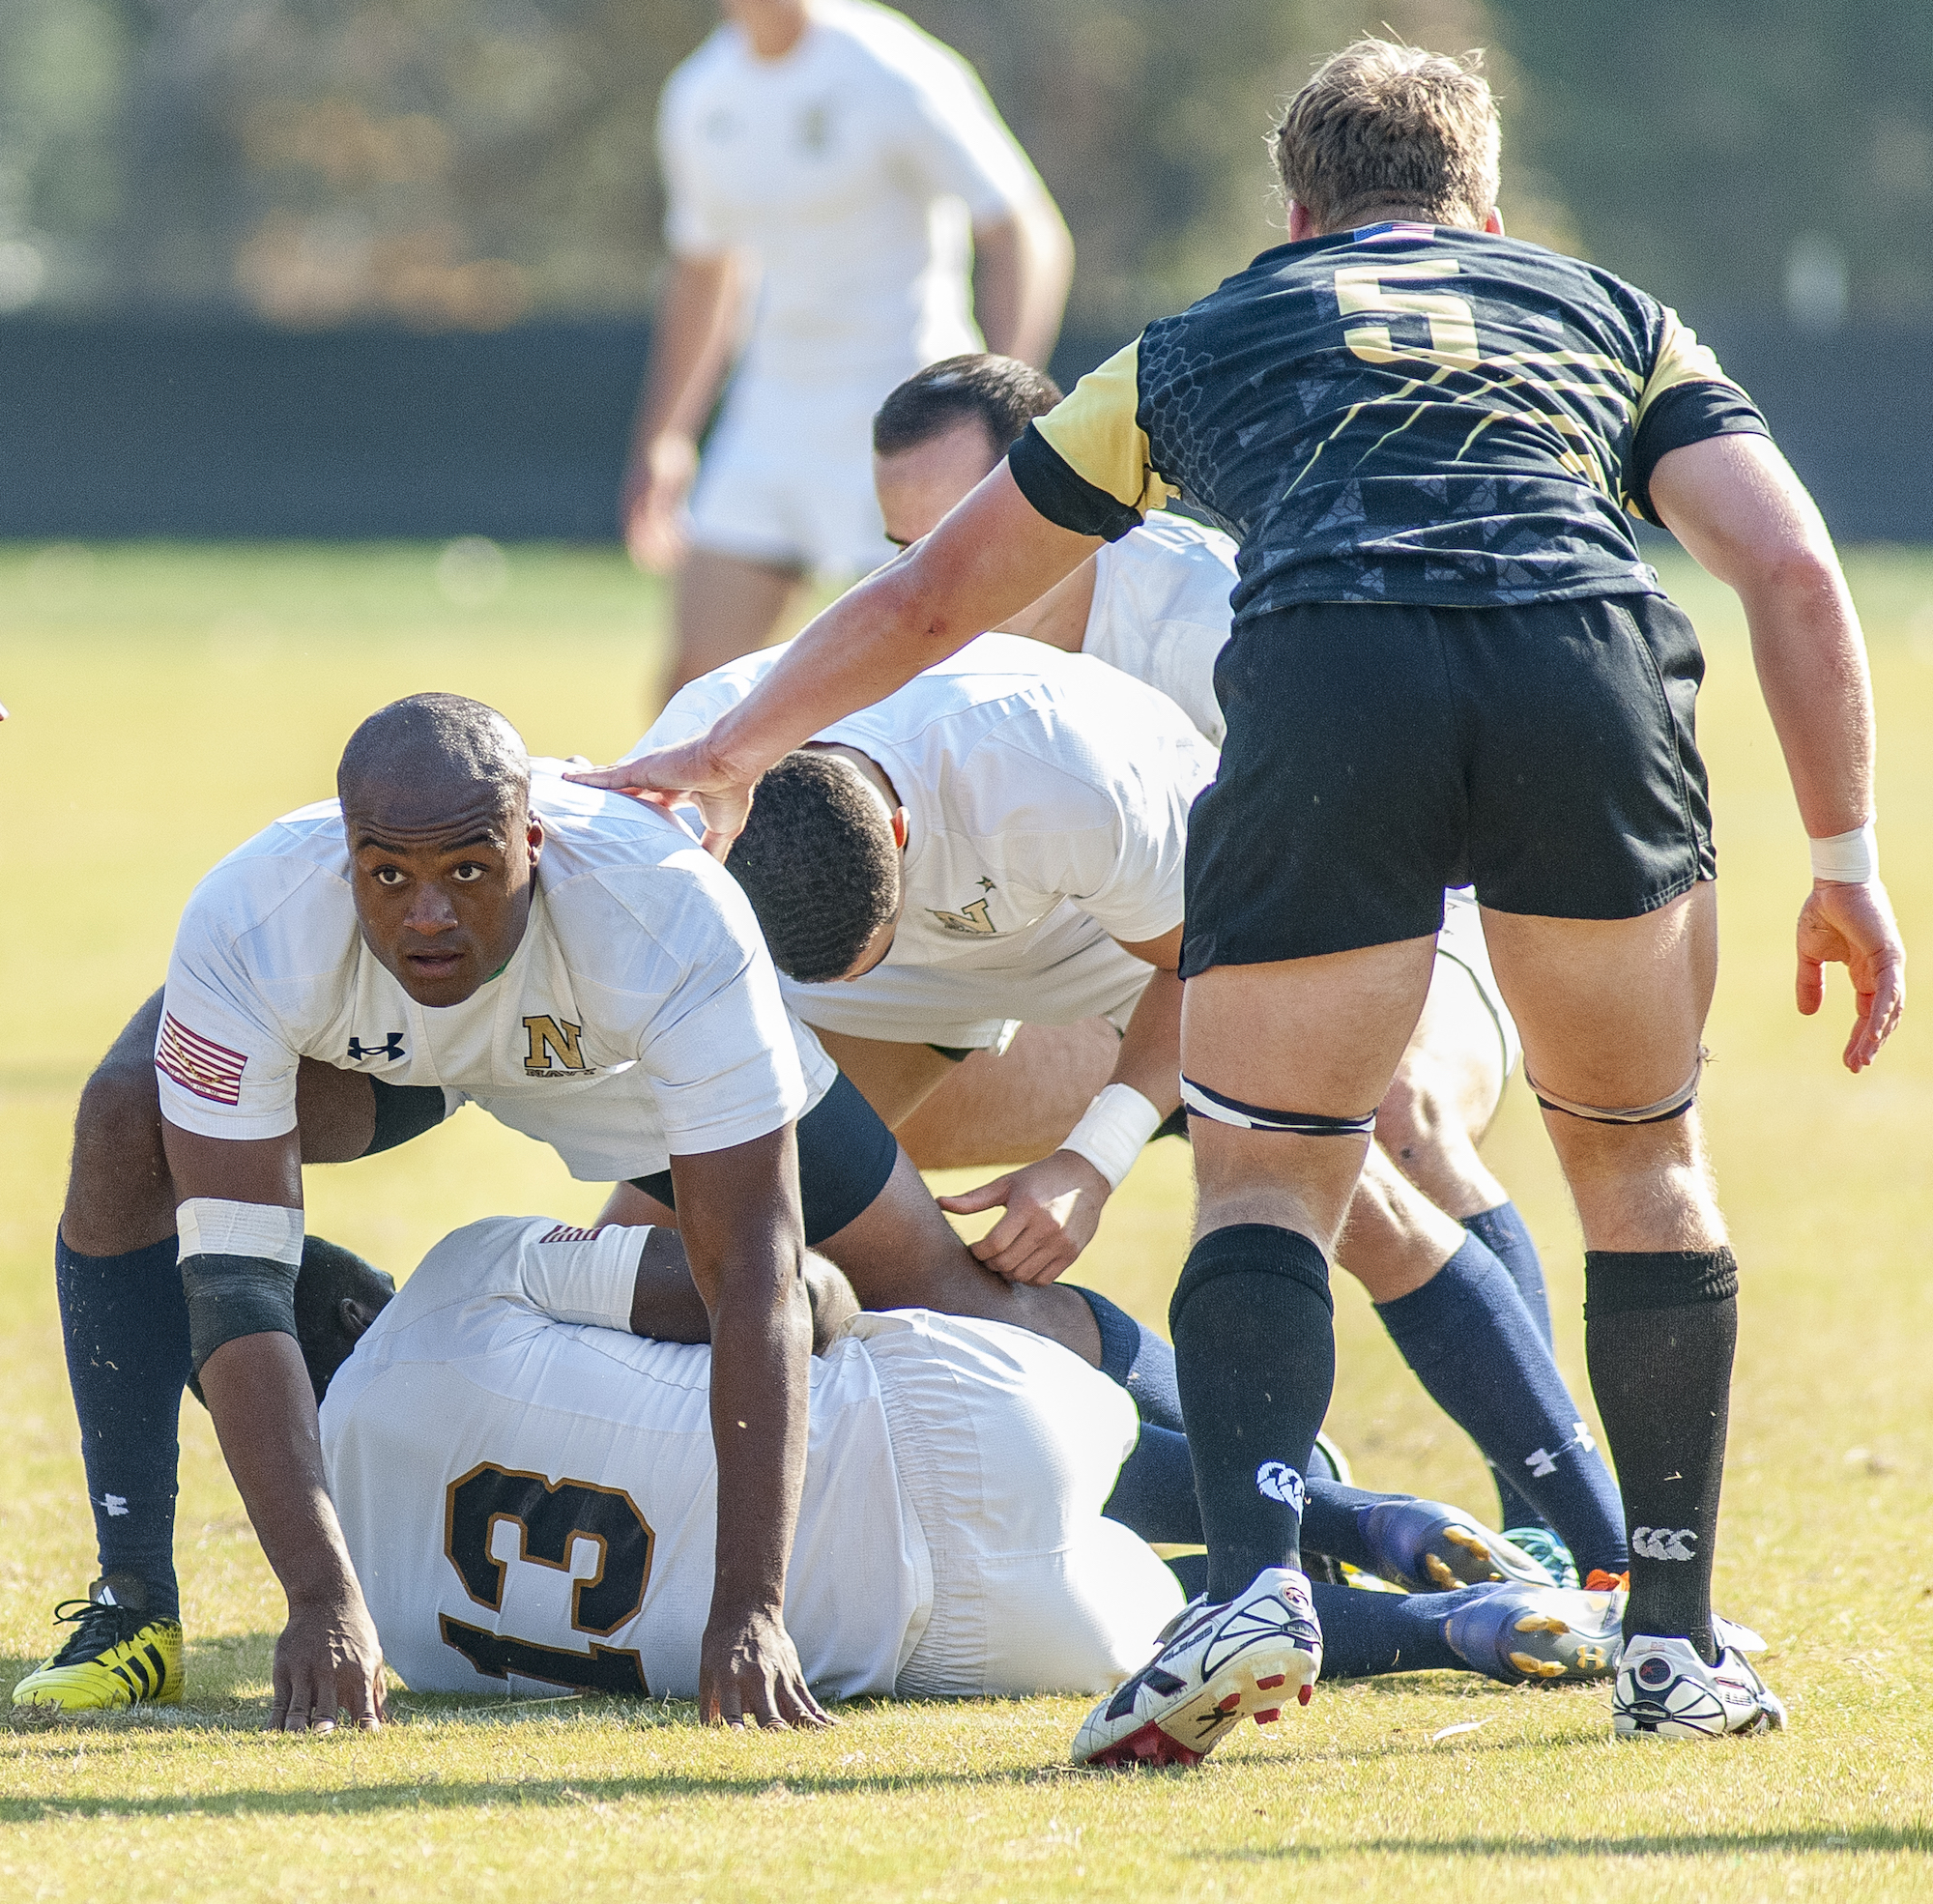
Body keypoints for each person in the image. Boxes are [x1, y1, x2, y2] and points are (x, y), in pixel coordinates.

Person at [572, 38, 1904, 1756]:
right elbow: (1787, 564)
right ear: (1484, 204)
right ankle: (1671, 1638)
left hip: (1334, 674)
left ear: (1295, 210)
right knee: (1646, 1170)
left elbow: (926, 602)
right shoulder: (1613, 313)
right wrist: (1848, 864)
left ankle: (1259, 1581)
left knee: (1267, 1167)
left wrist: (731, 745)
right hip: (1580, 658)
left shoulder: (1200, 341)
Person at [23, 692, 1107, 1728]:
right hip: (394, 1049)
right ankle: (134, 1602)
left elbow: (751, 1278)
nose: (429, 909)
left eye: (469, 869)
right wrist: (319, 1597)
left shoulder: (666, 912)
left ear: (534, 842)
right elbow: (235, 1283)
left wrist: (750, 1610)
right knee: (127, 1119)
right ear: (342, 857)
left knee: (944, 1296)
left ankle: (1259, 1491)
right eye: (387, 873)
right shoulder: (254, 917)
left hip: (620, 1055)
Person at [623, 625, 1629, 1590]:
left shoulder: (1053, 765)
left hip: (1126, 935)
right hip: (868, 978)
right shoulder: (694, 765)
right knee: (676, 1254)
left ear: (898, 829)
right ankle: (1292, 1488)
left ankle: (1602, 1554)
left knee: (1345, 1191)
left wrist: (1091, 1157)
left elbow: (1207, 962)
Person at [864, 353, 1601, 1562]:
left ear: (1065, 495)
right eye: (900, 544)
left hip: (1383, 912)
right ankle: (1244, 1461)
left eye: (957, 528)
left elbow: (1364, 853)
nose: (930, 572)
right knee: (852, 1159)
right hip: (1121, 970)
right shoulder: (906, 624)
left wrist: (1101, 1139)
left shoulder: (1216, 613)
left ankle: (1558, 1524)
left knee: (1387, 1116)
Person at [302, 1223, 1632, 1709]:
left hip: (919, 1641)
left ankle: (1440, 1624)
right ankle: (1354, 1509)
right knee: (939, 1409)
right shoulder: (449, 1279)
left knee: (1176, 1625)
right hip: (954, 1420)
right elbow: (759, 1293)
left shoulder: (390, 1631)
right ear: (355, 1304)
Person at [625, 0, 1072, 701]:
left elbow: (1023, 228)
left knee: (911, 689)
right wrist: (667, 436)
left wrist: (1001, 408)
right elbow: (706, 268)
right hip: (770, 415)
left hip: (907, 417)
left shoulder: (893, 68)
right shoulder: (700, 93)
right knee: (694, 689)